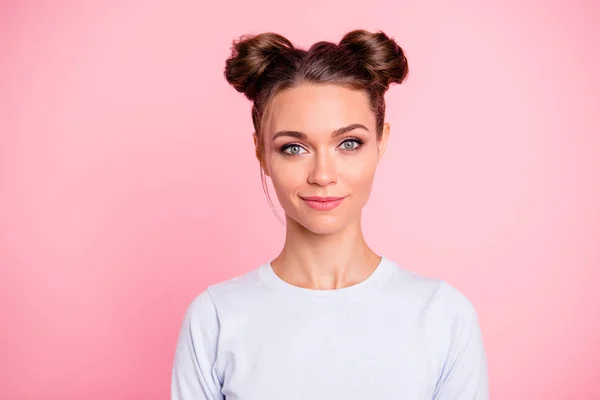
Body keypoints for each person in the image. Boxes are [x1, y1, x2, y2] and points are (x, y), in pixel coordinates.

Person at [171, 29, 489, 400]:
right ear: (261, 151)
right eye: (294, 147)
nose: (323, 175)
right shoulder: (215, 319)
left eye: (348, 143)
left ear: (381, 141)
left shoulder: (443, 316)